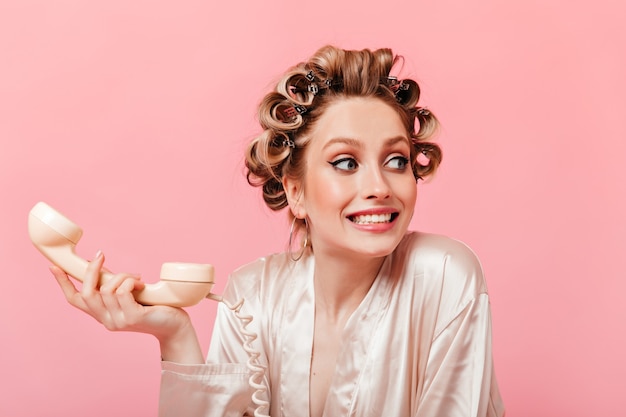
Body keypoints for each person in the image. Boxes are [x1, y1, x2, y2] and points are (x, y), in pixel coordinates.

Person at [50, 45, 505, 417]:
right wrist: (175, 336)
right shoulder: (252, 298)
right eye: (346, 162)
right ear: (296, 192)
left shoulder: (444, 275)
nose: (379, 187)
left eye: (397, 160)